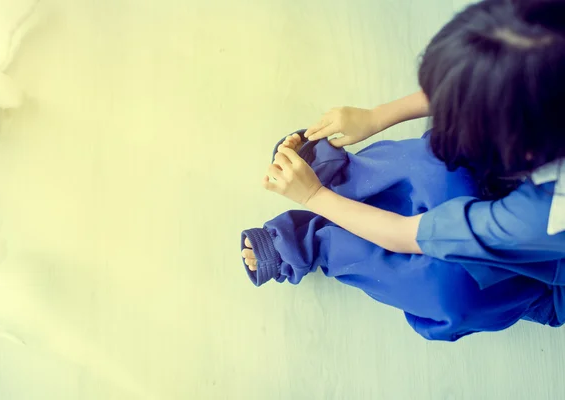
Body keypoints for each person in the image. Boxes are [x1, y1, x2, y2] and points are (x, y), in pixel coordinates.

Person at [240, 0, 565, 341]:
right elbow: (503, 75)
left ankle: (312, 240)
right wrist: (378, 116)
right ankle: (342, 177)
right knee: (437, 161)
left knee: (451, 289)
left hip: (537, 273)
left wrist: (313, 196)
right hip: (523, 176)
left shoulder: (545, 215)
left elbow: (407, 235)